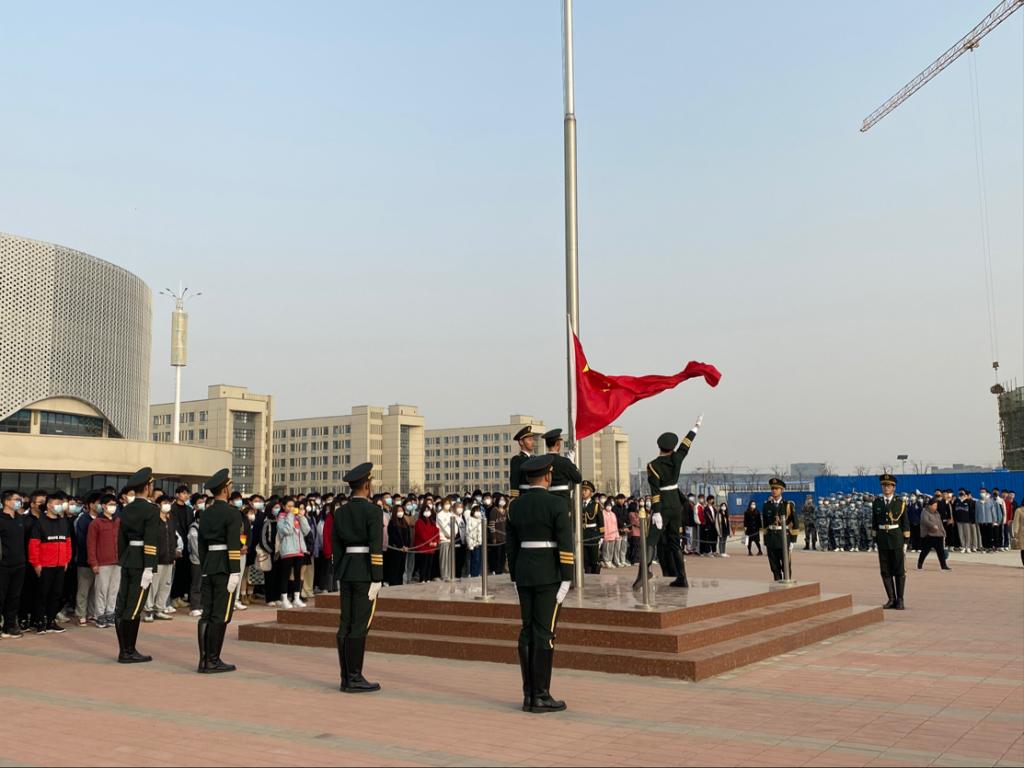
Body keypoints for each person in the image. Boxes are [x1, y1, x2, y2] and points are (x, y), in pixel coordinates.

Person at [506, 454, 574, 714]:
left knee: (527, 631)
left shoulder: (515, 506)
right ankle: (541, 695)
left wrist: (515, 576)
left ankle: (529, 695)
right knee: (545, 632)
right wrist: (567, 576)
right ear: (548, 476)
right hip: (549, 574)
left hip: (524, 572)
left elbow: (511, 547)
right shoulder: (557, 504)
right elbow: (565, 542)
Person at [332, 462, 384, 693]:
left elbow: (336, 547)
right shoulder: (373, 511)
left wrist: (339, 570)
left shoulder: (340, 512)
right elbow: (375, 546)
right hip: (365, 571)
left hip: (346, 570)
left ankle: (346, 676)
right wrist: (377, 577)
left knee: (346, 622)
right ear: (366, 486)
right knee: (360, 624)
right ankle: (354, 677)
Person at [642, 416, 702, 590]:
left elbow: (655, 491)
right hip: (676, 505)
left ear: (659, 446)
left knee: (650, 541)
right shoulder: (677, 459)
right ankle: (682, 578)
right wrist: (695, 428)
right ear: (672, 448)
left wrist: (656, 511)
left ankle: (643, 574)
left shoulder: (653, 465)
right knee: (675, 542)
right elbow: (685, 446)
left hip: (663, 506)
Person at [196, 468, 243, 674]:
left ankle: (204, 659)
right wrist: (235, 571)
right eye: (230, 486)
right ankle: (212, 660)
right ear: (225, 489)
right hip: (225, 566)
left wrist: (205, 565)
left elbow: (201, 544)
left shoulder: (205, 513)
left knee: (207, 613)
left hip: (209, 565)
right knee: (221, 614)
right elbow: (233, 543)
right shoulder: (232, 513)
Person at [113, 467, 159, 663]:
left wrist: (124, 557)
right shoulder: (151, 510)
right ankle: (128, 651)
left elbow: (121, 539)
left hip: (128, 559)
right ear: (147, 487)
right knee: (134, 607)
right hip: (141, 562)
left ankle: (124, 650)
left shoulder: (127, 509)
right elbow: (151, 540)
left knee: (123, 605)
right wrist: (149, 567)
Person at [29, 493, 73, 634]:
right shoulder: (40, 522)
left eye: (60, 503)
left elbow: (68, 543)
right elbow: (34, 545)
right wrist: (36, 564)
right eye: (56, 503)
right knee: (42, 594)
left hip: (60, 565)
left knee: (56, 594)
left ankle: (51, 621)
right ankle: (39, 621)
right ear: (48, 505)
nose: (59, 506)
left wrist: (66, 560)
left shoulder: (63, 522)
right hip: (45, 565)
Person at [871, 473, 909, 610]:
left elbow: (905, 523)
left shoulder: (900, 503)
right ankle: (891, 599)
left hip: (896, 538)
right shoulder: (877, 502)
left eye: (889, 486)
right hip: (882, 538)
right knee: (885, 570)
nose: (886, 488)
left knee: (899, 570)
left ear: (894, 487)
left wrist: (906, 542)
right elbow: (874, 523)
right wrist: (875, 540)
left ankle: (900, 599)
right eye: (884, 486)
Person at [143, 497, 178, 622]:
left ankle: (160, 609)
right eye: (164, 503)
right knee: (153, 585)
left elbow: (174, 538)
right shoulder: (154, 521)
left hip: (169, 558)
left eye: (168, 503)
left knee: (165, 585)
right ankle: (148, 610)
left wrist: (173, 556)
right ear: (158, 505)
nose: (167, 505)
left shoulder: (170, 520)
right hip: (157, 559)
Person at [88, 495, 121, 629]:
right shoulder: (96, 523)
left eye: (115, 504)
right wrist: (94, 563)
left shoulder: (118, 521)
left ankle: (110, 613)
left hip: (117, 562)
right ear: (103, 506)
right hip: (102, 563)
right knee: (101, 590)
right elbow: (91, 544)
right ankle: (99, 615)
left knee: (114, 590)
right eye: (111, 504)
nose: (113, 507)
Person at [0, 490, 29, 638]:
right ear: (6, 501)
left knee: (14, 597)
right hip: (3, 565)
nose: (19, 502)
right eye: (16, 499)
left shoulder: (20, 519)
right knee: (1, 596)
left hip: (19, 564)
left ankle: (10, 625)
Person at [275, 497, 311, 608]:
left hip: (299, 550)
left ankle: (296, 598)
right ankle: (285, 599)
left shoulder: (297, 518)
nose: (291, 508)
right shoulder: (281, 518)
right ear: (283, 507)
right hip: (288, 551)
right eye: (289, 506)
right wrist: (290, 516)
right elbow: (287, 530)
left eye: (293, 506)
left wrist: (302, 517)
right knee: (285, 575)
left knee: (297, 575)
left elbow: (307, 531)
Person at [541, 429, 583, 517]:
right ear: (558, 444)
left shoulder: (541, 461)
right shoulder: (565, 462)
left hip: (545, 500)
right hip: (562, 500)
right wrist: (572, 463)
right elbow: (578, 478)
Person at [762, 479, 796, 581]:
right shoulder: (767, 505)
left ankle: (787, 584)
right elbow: (765, 525)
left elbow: (795, 523)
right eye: (772, 488)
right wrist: (766, 540)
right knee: (774, 567)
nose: (774, 491)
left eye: (776, 489)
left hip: (784, 538)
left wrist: (792, 541)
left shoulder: (788, 505)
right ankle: (777, 584)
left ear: (782, 490)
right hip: (771, 539)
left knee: (786, 566)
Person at [73, 495, 98, 626]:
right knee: (83, 589)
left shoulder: (102, 518)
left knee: (95, 589)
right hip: (85, 560)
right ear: (91, 504)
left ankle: (91, 613)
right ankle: (81, 614)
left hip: (100, 560)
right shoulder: (83, 520)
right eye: (98, 503)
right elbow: (81, 540)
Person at [169, 485, 194, 610]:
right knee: (176, 571)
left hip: (187, 543)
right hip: (176, 542)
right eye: (183, 493)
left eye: (187, 493)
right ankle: (173, 597)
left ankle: (179, 596)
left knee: (184, 571)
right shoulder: (171, 508)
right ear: (177, 494)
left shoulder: (189, 510)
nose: (185, 495)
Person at [917, 497, 951, 571]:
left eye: (936, 505)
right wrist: (932, 525)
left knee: (941, 551)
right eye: (934, 505)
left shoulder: (937, 513)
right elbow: (925, 521)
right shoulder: (925, 512)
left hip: (938, 535)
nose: (935, 507)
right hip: (929, 535)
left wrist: (943, 531)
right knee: (925, 551)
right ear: (930, 505)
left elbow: (940, 523)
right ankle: (920, 564)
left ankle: (944, 566)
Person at [385, 503, 412, 586]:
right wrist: (400, 546)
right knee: (394, 568)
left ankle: (400, 583)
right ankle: (393, 584)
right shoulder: (392, 523)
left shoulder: (405, 522)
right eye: (398, 511)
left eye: (401, 510)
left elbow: (408, 535)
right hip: (395, 549)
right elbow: (393, 536)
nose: (401, 512)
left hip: (404, 550)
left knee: (401, 568)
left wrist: (407, 546)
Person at [508, 426, 539, 499]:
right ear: (521, 442)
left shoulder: (535, 459)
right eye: (529, 439)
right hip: (524, 496)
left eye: (533, 439)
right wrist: (514, 497)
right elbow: (514, 481)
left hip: (536, 495)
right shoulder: (517, 459)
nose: (532, 442)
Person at [580, 482, 602, 574]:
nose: (583, 492)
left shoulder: (595, 505)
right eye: (582, 490)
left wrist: (601, 536)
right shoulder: (578, 504)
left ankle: (595, 575)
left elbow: (600, 521)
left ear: (591, 492)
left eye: (586, 490)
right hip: (582, 535)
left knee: (594, 560)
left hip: (593, 535)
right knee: (585, 560)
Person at [412, 504, 439, 582]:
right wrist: (429, 542)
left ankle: (428, 578)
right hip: (423, 547)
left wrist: (435, 541)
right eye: (425, 510)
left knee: (429, 564)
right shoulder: (419, 522)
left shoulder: (432, 522)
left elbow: (436, 532)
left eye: (428, 510)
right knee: (423, 564)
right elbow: (422, 534)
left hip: (431, 547)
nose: (427, 512)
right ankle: (422, 578)